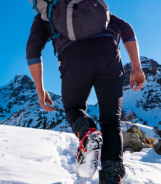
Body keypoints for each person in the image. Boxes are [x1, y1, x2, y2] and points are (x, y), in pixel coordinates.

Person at [26, 13, 146, 183]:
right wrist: (136, 67)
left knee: (74, 108)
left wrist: (40, 89)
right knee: (111, 121)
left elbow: (32, 47)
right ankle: (112, 178)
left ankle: (87, 132)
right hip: (108, 53)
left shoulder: (47, 12)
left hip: (73, 56)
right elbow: (126, 28)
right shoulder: (88, 0)